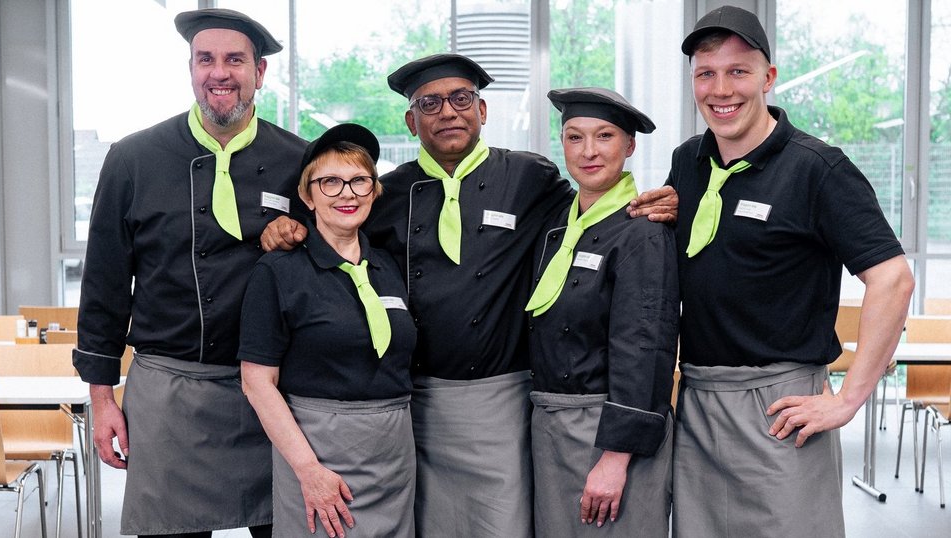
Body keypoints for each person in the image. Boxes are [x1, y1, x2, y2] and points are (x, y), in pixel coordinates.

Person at [260, 53, 678, 537]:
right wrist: (286, 226)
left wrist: (654, 199)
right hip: (414, 406)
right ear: (410, 121)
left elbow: (594, 214)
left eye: (461, 98)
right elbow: (331, 220)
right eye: (430, 103)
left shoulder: (531, 178)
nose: (448, 112)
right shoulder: (384, 194)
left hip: (500, 403)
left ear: (483, 111)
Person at [669, 6, 914, 537]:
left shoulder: (818, 168)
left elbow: (893, 278)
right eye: (705, 74)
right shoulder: (688, 160)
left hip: (780, 409)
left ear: (768, 77)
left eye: (738, 71)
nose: (721, 89)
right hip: (697, 404)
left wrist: (847, 400)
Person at [71, 8, 307, 538]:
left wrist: (302, 239)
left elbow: (331, 268)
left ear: (260, 73)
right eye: (205, 59)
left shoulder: (299, 160)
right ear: (191, 69)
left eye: (234, 60)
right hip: (169, 392)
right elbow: (105, 283)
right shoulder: (133, 158)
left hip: (270, 391)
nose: (218, 73)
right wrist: (103, 398)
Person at [239, 124, 417, 538]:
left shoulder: (388, 268)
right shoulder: (279, 271)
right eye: (330, 182)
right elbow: (257, 382)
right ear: (307, 195)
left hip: (394, 460)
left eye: (359, 181)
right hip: (319, 457)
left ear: (374, 190)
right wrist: (309, 471)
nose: (347, 193)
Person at [527, 87, 677, 537]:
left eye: (605, 136)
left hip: (610, 431)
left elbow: (645, 347)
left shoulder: (643, 231)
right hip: (553, 428)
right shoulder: (556, 226)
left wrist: (615, 456)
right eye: (575, 138)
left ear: (629, 146)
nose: (588, 151)